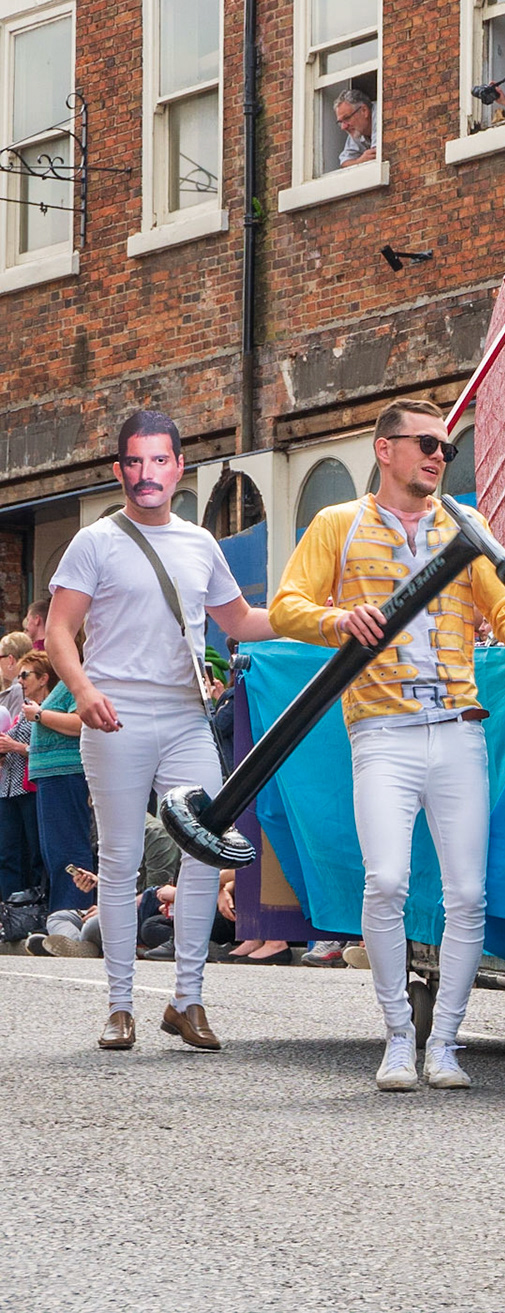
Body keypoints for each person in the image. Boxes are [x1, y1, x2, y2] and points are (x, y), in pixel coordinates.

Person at [271, 398, 505, 1090]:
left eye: (446, 448)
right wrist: (338, 620)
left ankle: (447, 1043)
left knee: (467, 893)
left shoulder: (464, 523)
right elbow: (286, 606)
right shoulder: (338, 522)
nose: (440, 456)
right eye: (427, 444)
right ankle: (399, 1034)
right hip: (381, 730)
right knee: (385, 881)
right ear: (386, 449)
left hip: (459, 729)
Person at [46, 409, 279, 1054]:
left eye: (158, 460)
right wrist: (84, 692)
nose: (146, 473)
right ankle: (120, 1007)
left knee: (206, 850)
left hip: (184, 717)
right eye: (134, 461)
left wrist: (314, 617)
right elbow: (59, 631)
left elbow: (240, 621)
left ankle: (187, 1000)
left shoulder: (200, 543)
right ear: (119, 469)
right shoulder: (94, 541)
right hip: (113, 715)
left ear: (179, 467)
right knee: (120, 859)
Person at [18, 649, 87, 915]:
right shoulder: (63, 687)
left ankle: (73, 912)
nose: (20, 680)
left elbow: (81, 722)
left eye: (25, 675)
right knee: (54, 852)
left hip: (65, 775)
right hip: (51, 778)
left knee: (68, 848)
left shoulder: (73, 682)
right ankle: (61, 913)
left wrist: (39, 715)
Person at [0, 631, 43, 902]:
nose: (20, 681)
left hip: (28, 788)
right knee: (8, 852)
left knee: (33, 851)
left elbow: (42, 749)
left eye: (25, 675)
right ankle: (9, 906)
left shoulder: (39, 710)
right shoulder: (21, 709)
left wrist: (14, 747)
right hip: (8, 787)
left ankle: (34, 903)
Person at [334, 88, 376, 168]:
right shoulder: (358, 129)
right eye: (340, 122)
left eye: (347, 118)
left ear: (364, 111)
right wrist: (360, 161)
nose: (343, 127)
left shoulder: (381, 115)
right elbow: (344, 162)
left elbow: (378, 156)